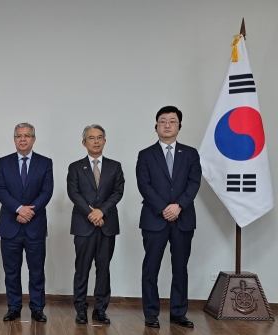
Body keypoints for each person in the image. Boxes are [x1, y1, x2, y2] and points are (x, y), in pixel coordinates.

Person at [136, 106, 201, 329]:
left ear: (179, 127)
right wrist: (165, 208)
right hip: (155, 219)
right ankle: (151, 313)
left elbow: (194, 183)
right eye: (162, 121)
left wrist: (179, 206)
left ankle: (178, 312)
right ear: (156, 126)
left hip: (183, 219)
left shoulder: (190, 153)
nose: (167, 125)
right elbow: (144, 185)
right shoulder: (145, 154)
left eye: (172, 121)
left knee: (180, 267)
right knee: (151, 267)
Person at [0, 122, 53, 322]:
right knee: (11, 271)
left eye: (27, 135)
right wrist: (19, 209)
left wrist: (29, 211)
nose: (23, 139)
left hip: (35, 226)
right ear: (14, 139)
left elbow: (47, 192)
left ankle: (37, 308)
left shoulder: (45, 163)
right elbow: (1, 191)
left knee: (37, 271)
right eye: (19, 135)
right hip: (10, 226)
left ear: (34, 139)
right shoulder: (3, 162)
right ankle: (14, 307)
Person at [66, 124, 124, 325]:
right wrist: (91, 213)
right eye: (92, 138)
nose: (96, 141)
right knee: (82, 269)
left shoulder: (115, 166)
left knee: (103, 268)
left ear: (105, 141)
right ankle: (80, 309)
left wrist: (102, 211)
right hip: (83, 225)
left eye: (100, 137)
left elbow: (118, 192)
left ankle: (100, 309)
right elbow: (74, 193)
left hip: (107, 224)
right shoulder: (75, 167)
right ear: (84, 142)